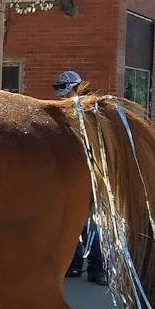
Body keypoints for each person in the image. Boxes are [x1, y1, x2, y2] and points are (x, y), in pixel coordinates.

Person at [53, 69, 107, 286]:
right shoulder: (65, 111)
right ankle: (74, 264)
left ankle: (97, 267)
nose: (63, 96)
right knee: (72, 222)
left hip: (89, 174)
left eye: (65, 91)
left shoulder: (88, 113)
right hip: (70, 174)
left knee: (90, 225)